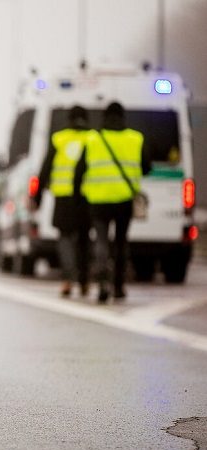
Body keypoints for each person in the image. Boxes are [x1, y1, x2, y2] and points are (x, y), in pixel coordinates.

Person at [76, 102, 151, 302]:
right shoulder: (135, 138)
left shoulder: (93, 139)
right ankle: (118, 286)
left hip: (98, 200)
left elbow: (79, 170)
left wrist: (78, 196)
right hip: (124, 200)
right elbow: (146, 167)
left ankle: (102, 280)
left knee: (101, 240)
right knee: (121, 242)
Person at [33, 106, 91, 298]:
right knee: (84, 240)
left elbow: (45, 169)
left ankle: (67, 279)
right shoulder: (92, 138)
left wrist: (37, 198)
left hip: (63, 197)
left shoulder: (59, 138)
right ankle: (84, 281)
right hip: (86, 197)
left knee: (65, 239)